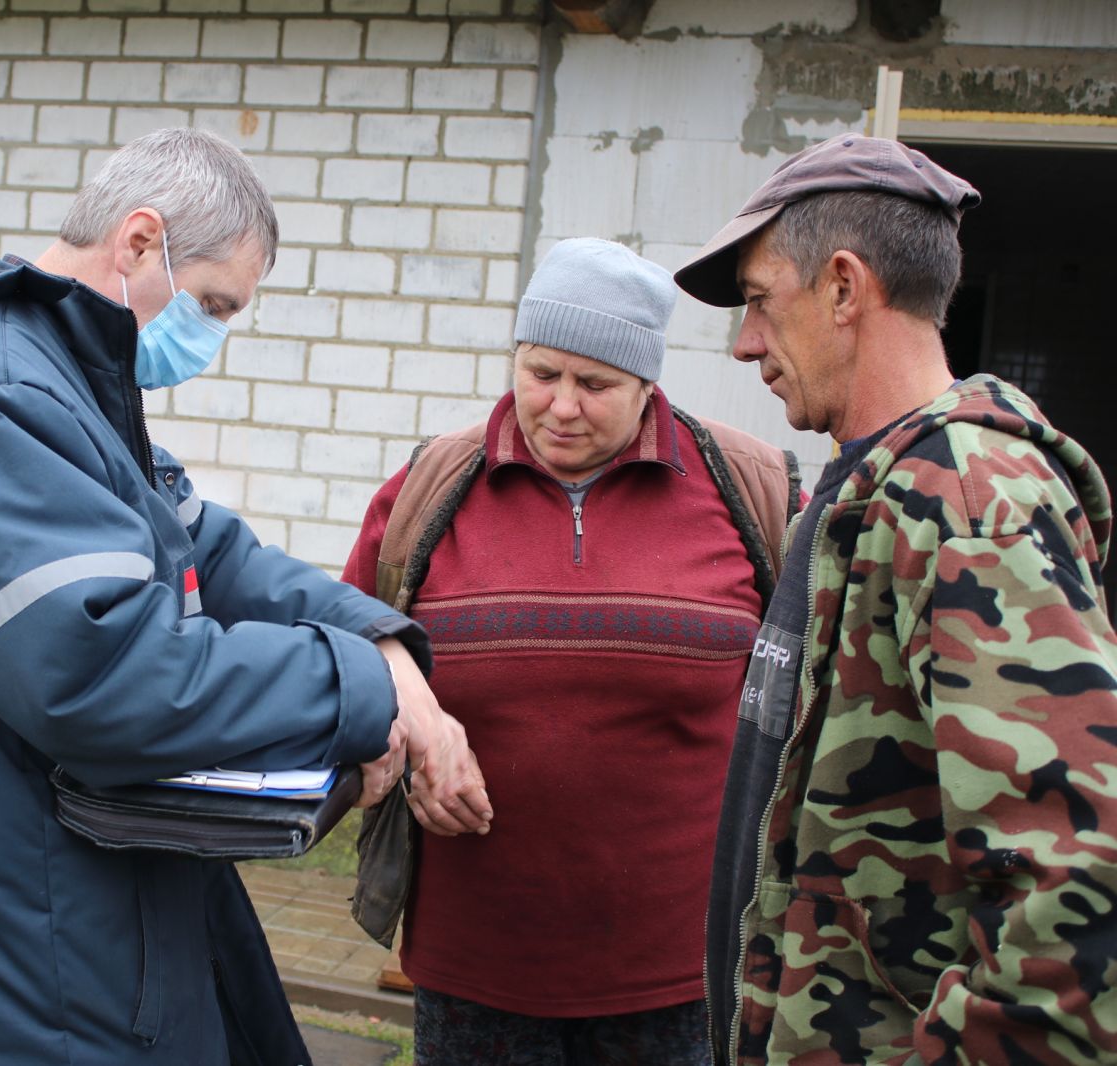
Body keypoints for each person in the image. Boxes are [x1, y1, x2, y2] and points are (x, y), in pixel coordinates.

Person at [0, 127, 491, 1066]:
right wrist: (360, 690)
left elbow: (209, 553)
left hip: (68, 904)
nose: (211, 337)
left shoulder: (60, 381)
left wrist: (381, 646)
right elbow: (99, 676)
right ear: (139, 242)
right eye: (213, 303)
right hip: (21, 942)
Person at [675, 134, 1117, 1065]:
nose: (745, 342)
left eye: (759, 300)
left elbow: (1074, 903)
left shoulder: (966, 507)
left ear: (844, 287)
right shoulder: (857, 494)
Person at [343, 239, 799, 1066]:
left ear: (648, 385)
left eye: (595, 384)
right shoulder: (431, 488)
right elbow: (350, 647)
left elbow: (804, 695)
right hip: (474, 964)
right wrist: (405, 742)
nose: (560, 406)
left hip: (682, 969)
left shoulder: (749, 487)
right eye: (541, 372)